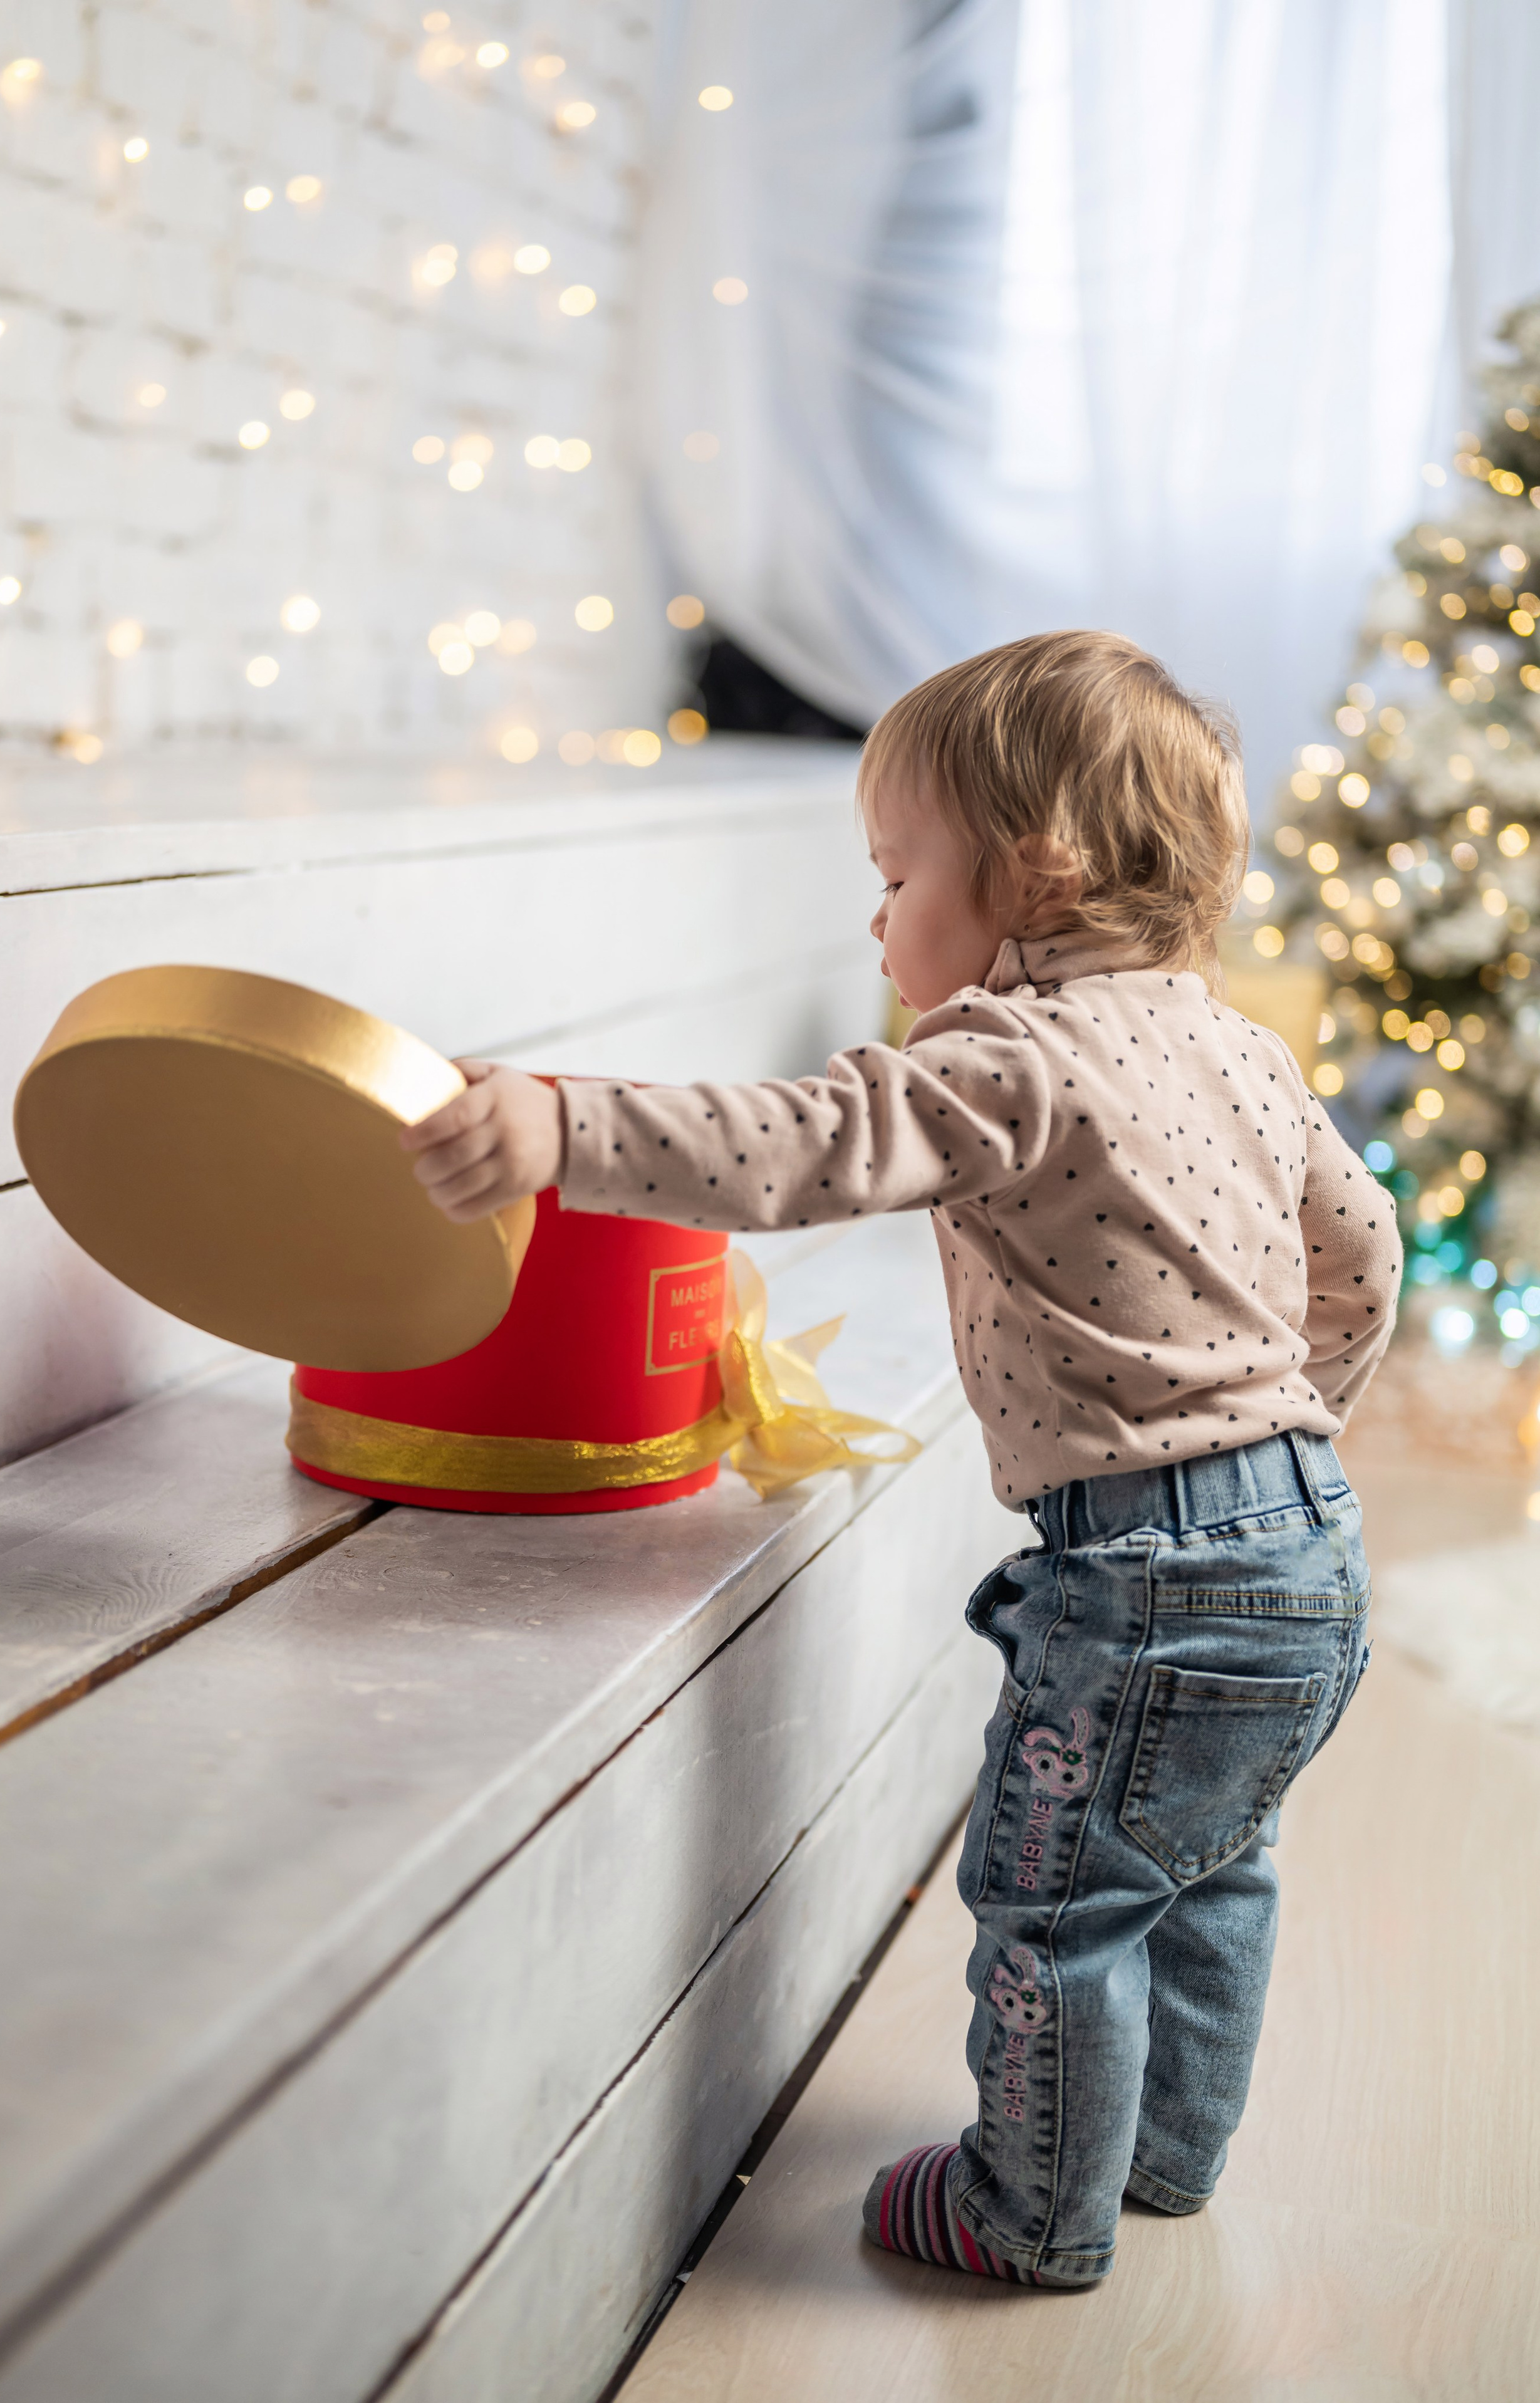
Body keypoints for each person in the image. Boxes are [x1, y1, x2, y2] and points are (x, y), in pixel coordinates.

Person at [400, 629, 1401, 2289]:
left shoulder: (1011, 1058)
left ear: (1035, 873)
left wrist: (560, 1123)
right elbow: (1359, 1249)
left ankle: (1029, 2209)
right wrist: (1288, 1445)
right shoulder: (1238, 1047)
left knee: (1058, 1896)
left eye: (898, 871)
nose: (879, 917)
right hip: (1308, 1544)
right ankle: (1161, 2156)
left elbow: (806, 1143)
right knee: (1214, 1865)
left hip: (1144, 1575)